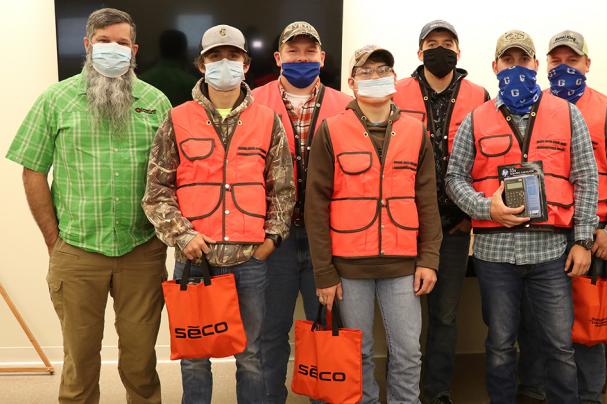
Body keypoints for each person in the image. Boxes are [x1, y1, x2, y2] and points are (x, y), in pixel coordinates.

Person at [6, 8, 171, 403]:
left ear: (134, 50)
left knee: (141, 361)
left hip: (142, 250)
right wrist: (53, 240)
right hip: (78, 252)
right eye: (104, 41)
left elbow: (173, 177)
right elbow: (33, 171)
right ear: (87, 45)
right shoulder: (56, 99)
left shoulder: (156, 102)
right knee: (79, 362)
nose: (113, 50)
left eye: (122, 43)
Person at [142, 24, 295, 403]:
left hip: (250, 263)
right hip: (195, 262)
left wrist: (271, 241)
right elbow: (156, 191)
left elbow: (284, 189)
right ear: (200, 65)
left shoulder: (267, 120)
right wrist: (183, 236)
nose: (223, 63)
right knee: (194, 358)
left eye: (232, 56)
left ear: (245, 65)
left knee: (251, 355)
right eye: (214, 56)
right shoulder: (177, 119)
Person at [445, 29, 598, 403]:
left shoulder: (566, 113)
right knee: (499, 345)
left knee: (559, 347)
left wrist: (582, 240)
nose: (516, 67)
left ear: (535, 65)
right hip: (495, 256)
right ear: (495, 66)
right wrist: (487, 208)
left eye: (523, 60)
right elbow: (454, 179)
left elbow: (586, 178)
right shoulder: (476, 118)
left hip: (551, 255)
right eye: (507, 61)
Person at [305, 45, 442, 404]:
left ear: (394, 79)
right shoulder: (330, 131)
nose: (376, 78)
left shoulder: (415, 131)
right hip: (349, 269)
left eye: (383, 70)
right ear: (351, 83)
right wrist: (324, 273)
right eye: (366, 72)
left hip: (403, 266)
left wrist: (428, 259)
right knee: (357, 353)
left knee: (408, 353)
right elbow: (315, 206)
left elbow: (427, 201)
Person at [517, 30, 607, 404]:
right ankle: (536, 391)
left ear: (587, 64)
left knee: (588, 323)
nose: (563, 68)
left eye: (572, 61)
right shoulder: (533, 105)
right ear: (546, 65)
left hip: (596, 234)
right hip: (549, 231)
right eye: (556, 61)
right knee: (539, 321)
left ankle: (588, 396)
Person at [251, 21, 352, 403]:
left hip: (326, 240)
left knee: (324, 329)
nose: (302, 58)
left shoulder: (346, 105)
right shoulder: (254, 102)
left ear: (322, 58)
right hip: (271, 241)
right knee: (270, 331)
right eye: (294, 51)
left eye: (310, 51)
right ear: (279, 58)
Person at [391, 21, 489, 404]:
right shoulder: (396, 92)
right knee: (402, 322)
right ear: (419, 52)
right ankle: (403, 392)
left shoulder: (480, 95)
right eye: (432, 44)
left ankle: (437, 391)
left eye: (448, 44)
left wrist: (471, 213)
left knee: (445, 317)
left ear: (458, 52)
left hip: (453, 225)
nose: (440, 49)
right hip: (403, 225)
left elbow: (489, 160)